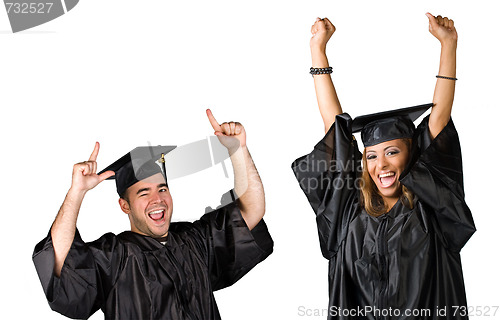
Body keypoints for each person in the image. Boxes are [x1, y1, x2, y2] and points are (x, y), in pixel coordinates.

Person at [291, 14, 475, 319]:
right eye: (372, 155)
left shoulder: (433, 209)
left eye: (392, 152)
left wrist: (448, 44)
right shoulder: (347, 211)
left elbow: (438, 120)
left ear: (412, 154)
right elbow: (334, 129)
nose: (382, 165)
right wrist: (318, 51)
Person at [33, 109, 273, 320]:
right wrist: (76, 192)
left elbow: (251, 210)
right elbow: (63, 262)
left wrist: (238, 149)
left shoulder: (194, 241)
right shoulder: (116, 256)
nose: (157, 199)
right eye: (143, 193)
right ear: (125, 206)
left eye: (162, 188)